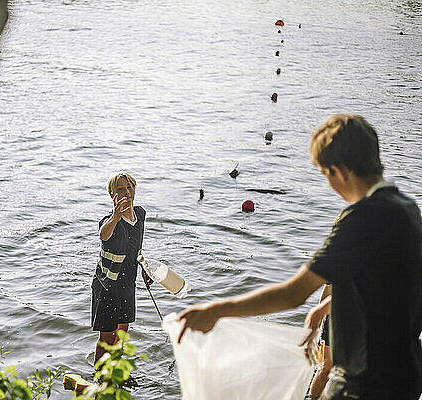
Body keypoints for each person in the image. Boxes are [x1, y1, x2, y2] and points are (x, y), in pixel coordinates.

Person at [178, 114, 422, 399]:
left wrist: (215, 311)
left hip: (363, 383)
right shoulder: (407, 210)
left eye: (325, 175)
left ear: (341, 171)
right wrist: (322, 310)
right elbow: (384, 288)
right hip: (404, 376)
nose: (330, 185)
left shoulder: (360, 217)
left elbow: (293, 294)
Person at [92, 172, 152, 364]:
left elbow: (136, 246)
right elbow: (103, 235)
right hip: (107, 287)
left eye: (129, 187)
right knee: (106, 338)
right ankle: (100, 378)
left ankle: (116, 370)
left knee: (123, 331)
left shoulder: (140, 214)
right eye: (120, 189)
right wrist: (116, 216)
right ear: (112, 195)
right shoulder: (109, 222)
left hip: (127, 283)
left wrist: (143, 265)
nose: (126, 192)